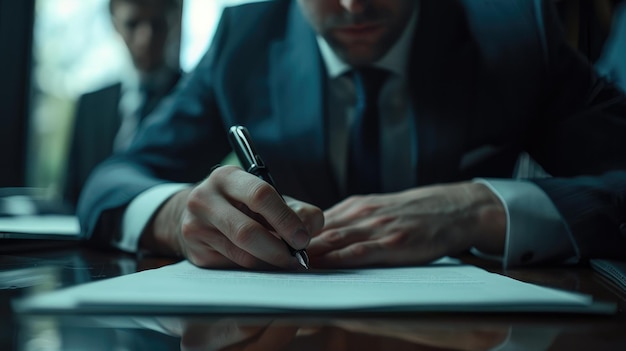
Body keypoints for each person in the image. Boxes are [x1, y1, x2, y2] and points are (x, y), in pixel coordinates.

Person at [78, 0, 626, 270]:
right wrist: (179, 216)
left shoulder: (517, 30)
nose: (354, 3)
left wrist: (485, 209)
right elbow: (113, 180)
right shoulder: (243, 39)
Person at [63, 0, 182, 209]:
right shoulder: (91, 104)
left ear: (172, 22)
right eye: (133, 24)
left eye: (157, 24)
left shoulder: (194, 102)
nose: (146, 38)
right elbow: (71, 190)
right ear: (115, 25)